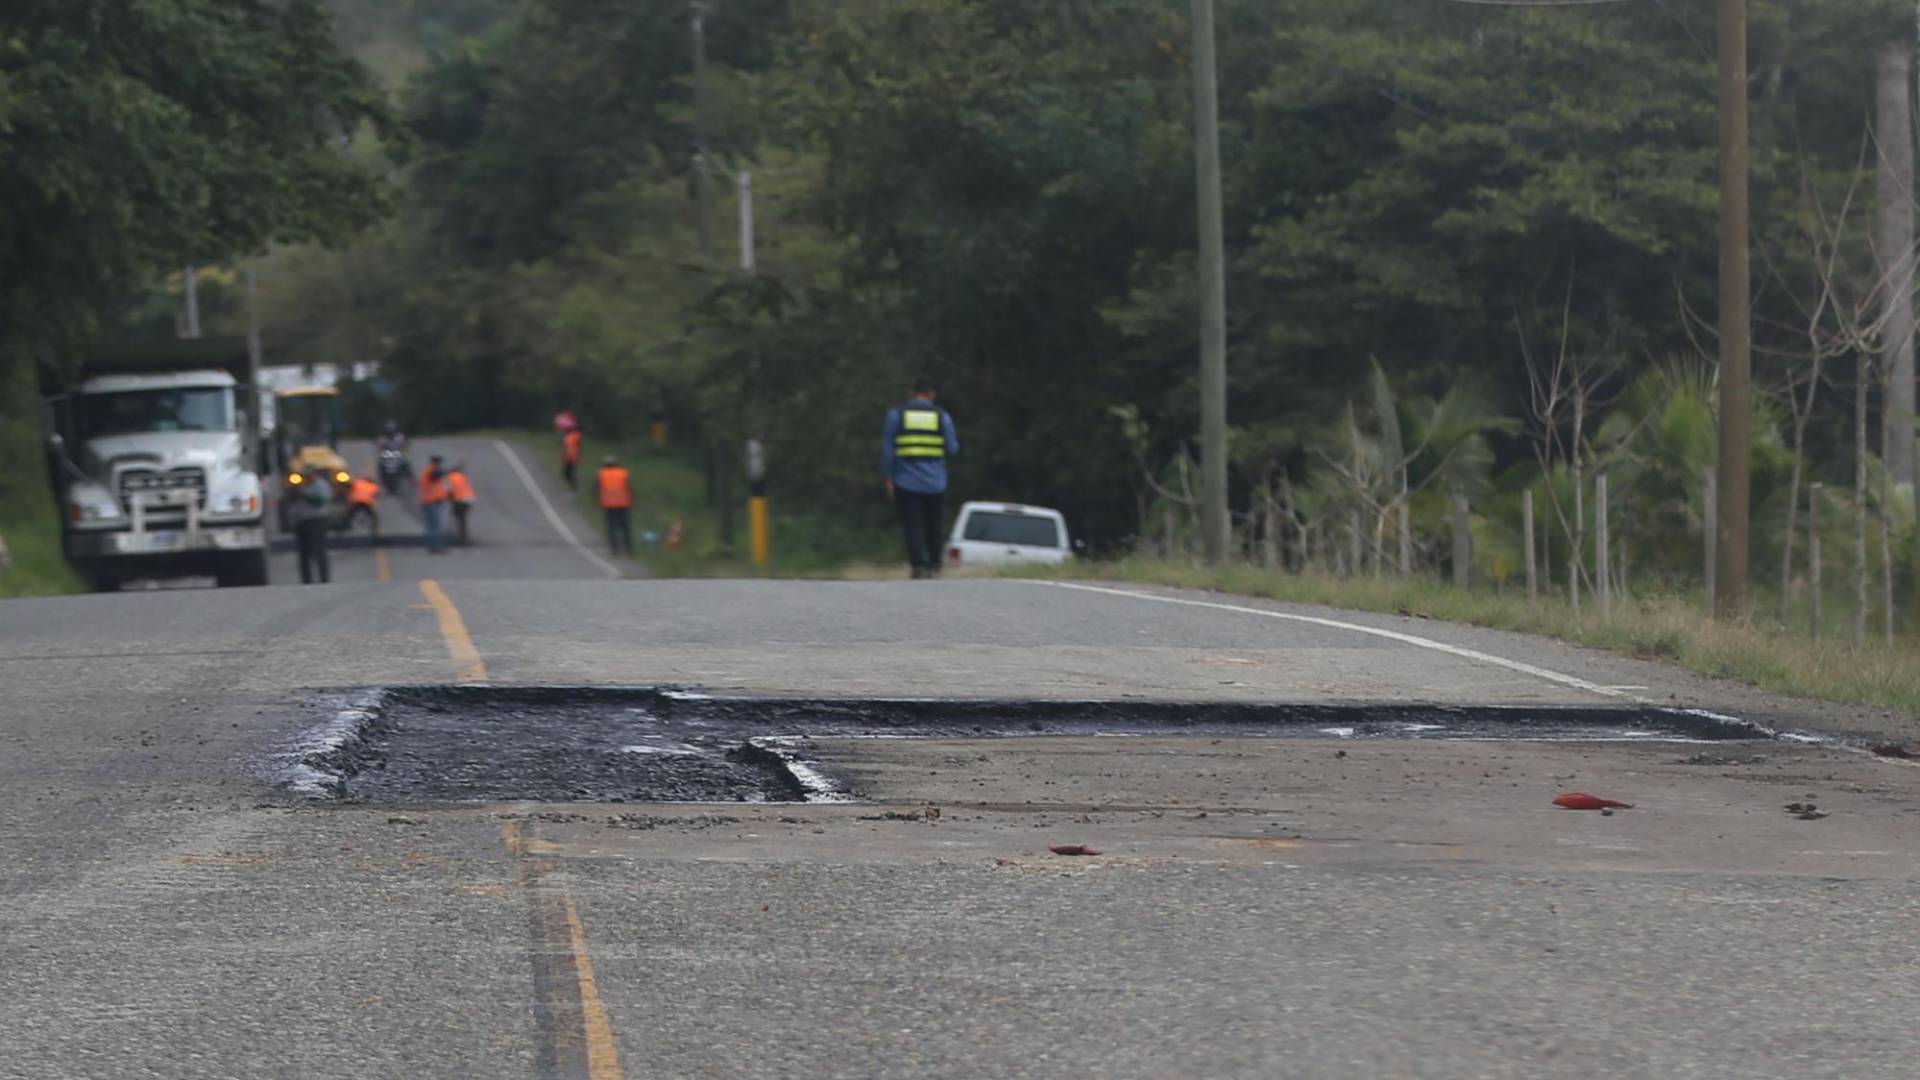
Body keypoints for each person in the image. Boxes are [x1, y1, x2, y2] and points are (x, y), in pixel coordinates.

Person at [882, 377, 960, 578]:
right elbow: (952, 448)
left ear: (911, 393)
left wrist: (888, 477)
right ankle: (935, 565)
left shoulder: (897, 415)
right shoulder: (942, 416)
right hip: (936, 481)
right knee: (935, 524)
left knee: (912, 525)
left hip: (905, 480)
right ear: (932, 395)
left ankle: (918, 566)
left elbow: (888, 449)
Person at [289, 466, 332, 584]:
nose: (307, 477)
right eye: (305, 475)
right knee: (304, 554)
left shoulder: (320, 485)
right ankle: (306, 581)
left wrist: (304, 495)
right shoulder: (301, 486)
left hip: (317, 520)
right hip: (302, 522)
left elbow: (321, 501)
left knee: (319, 550)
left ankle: (324, 579)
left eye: (309, 475)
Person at [597, 453, 634, 556]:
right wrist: (631, 500)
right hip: (623, 503)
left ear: (605, 464)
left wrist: (597, 501)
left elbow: (597, 488)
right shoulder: (623, 473)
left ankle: (614, 549)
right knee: (625, 526)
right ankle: (629, 549)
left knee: (611, 527)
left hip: (609, 504)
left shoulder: (602, 473)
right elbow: (629, 487)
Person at [419, 454, 451, 554]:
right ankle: (436, 546)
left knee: (432, 526)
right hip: (430, 502)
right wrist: (454, 469)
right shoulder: (432, 471)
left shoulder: (433, 471)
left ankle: (433, 546)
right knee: (435, 526)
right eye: (439, 462)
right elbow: (437, 474)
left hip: (433, 501)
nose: (440, 464)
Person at [446, 462, 476, 546]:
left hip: (459, 500)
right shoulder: (461, 476)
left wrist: (449, 500)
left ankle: (462, 537)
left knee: (459, 518)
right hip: (469, 499)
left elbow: (448, 491)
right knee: (462, 518)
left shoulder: (448, 478)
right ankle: (463, 536)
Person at [344, 474, 381, 539]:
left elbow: (349, 486)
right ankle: (375, 532)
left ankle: (345, 527)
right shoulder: (374, 486)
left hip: (356, 502)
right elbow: (375, 496)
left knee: (349, 515)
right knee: (374, 518)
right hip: (367, 503)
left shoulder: (358, 482)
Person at [561, 426, 583, 491]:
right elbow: (565, 448)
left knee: (569, 472)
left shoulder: (575, 436)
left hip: (573, 457)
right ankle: (573, 485)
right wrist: (563, 456)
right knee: (567, 473)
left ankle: (574, 486)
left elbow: (578, 445)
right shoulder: (567, 437)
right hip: (568, 457)